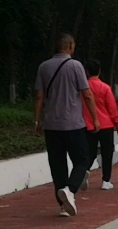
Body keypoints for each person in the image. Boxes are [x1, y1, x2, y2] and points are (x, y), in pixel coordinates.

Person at [34, 33, 100, 217]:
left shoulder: (44, 67)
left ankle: (63, 206)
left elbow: (39, 96)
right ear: (70, 46)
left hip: (51, 126)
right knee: (82, 160)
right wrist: (95, 119)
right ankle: (70, 190)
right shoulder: (75, 65)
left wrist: (37, 120)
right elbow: (87, 94)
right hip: (73, 124)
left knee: (57, 165)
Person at [82, 59, 118, 190]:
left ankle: (84, 170)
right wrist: (117, 122)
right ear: (99, 71)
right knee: (107, 153)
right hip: (106, 125)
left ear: (87, 72)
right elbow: (112, 107)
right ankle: (106, 181)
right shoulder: (105, 88)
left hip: (88, 125)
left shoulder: (82, 88)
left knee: (90, 152)